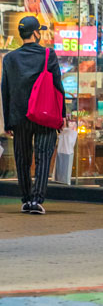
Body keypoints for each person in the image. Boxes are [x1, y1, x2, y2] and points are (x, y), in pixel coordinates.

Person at [1, 16, 66, 214]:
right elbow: (57, 85)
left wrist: (8, 121)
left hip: (19, 116)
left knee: (22, 158)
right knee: (43, 156)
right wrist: (62, 115)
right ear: (36, 33)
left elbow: (5, 90)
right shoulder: (48, 54)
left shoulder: (9, 58)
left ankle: (26, 199)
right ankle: (37, 200)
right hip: (45, 114)